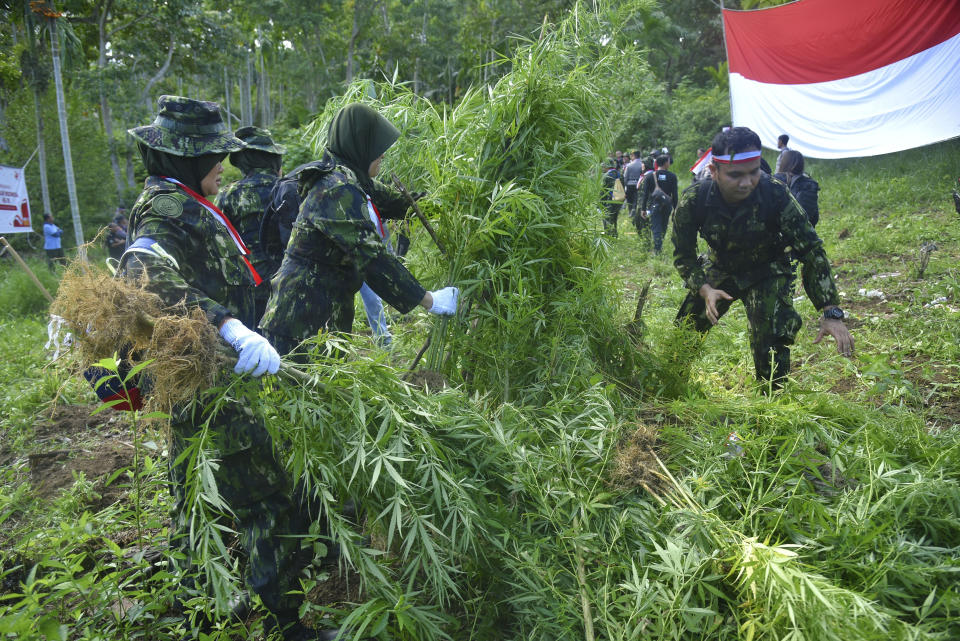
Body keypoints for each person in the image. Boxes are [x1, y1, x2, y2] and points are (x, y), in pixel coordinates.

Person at [124, 95, 332, 640]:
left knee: (195, 490)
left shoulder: (186, 200)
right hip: (213, 383)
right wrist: (229, 327)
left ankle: (201, 602)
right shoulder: (170, 208)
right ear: (185, 158)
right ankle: (286, 623)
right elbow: (139, 271)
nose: (224, 163)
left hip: (206, 379)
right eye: (213, 154)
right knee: (268, 498)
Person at [260, 103, 458, 356]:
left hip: (323, 321)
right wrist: (429, 300)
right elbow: (372, 257)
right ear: (360, 147)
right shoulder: (335, 188)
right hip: (298, 323)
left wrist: (451, 200)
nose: (383, 155)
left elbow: (402, 204)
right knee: (301, 394)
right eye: (377, 148)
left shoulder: (354, 181)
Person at [671, 126, 853, 388]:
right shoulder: (694, 201)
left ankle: (771, 407)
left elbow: (811, 248)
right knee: (684, 334)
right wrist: (704, 288)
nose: (746, 183)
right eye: (735, 175)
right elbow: (683, 255)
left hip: (768, 270)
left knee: (771, 351)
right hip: (720, 268)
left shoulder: (775, 193)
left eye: (754, 172)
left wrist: (830, 312)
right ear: (714, 171)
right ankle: (669, 393)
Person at [216, 125, 285, 324]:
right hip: (288, 284)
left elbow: (220, 242)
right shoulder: (290, 188)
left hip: (248, 285)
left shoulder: (229, 194)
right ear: (274, 158)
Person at [639, 153, 678, 254]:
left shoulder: (650, 176)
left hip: (654, 205)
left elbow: (645, 194)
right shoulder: (672, 176)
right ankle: (658, 247)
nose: (669, 163)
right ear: (665, 163)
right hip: (667, 206)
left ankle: (657, 249)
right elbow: (675, 194)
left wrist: (643, 208)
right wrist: (676, 208)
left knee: (656, 227)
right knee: (664, 226)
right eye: (669, 161)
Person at [774, 149, 819, 227]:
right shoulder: (809, 184)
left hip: (777, 233)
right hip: (804, 234)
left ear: (783, 163)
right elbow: (813, 217)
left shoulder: (775, 180)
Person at [621, 150, 645, 227]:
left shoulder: (629, 165)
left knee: (629, 199)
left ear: (633, 156)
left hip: (629, 184)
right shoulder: (642, 164)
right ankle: (634, 210)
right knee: (636, 199)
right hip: (638, 183)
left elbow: (625, 177)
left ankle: (630, 211)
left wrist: (625, 185)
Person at [600, 160, 622, 237]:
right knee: (614, 218)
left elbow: (602, 191)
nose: (602, 168)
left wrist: (600, 203)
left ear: (607, 166)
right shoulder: (619, 174)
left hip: (608, 201)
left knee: (607, 219)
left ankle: (609, 236)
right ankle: (615, 235)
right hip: (618, 200)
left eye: (603, 166)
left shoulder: (606, 176)